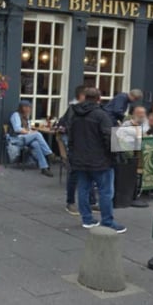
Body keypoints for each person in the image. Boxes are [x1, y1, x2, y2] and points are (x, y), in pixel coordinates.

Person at [70, 88, 126, 233]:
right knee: (106, 191)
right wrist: (114, 155)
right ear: (98, 99)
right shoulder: (102, 115)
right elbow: (108, 137)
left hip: (80, 158)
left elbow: (71, 137)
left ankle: (87, 219)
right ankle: (107, 221)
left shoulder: (75, 114)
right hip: (100, 160)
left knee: (83, 189)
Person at [58, 86, 99, 215]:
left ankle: (91, 202)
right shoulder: (74, 110)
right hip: (76, 145)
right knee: (74, 174)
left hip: (87, 146)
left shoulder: (90, 111)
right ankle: (70, 202)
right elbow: (68, 126)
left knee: (90, 173)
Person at [10, 100, 54, 177]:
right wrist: (30, 133)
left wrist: (31, 131)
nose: (28, 109)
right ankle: (48, 153)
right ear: (22, 107)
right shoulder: (16, 115)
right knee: (37, 134)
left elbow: (28, 129)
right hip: (17, 139)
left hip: (25, 138)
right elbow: (17, 129)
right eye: (26, 107)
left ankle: (44, 167)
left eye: (29, 107)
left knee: (36, 143)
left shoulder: (26, 117)